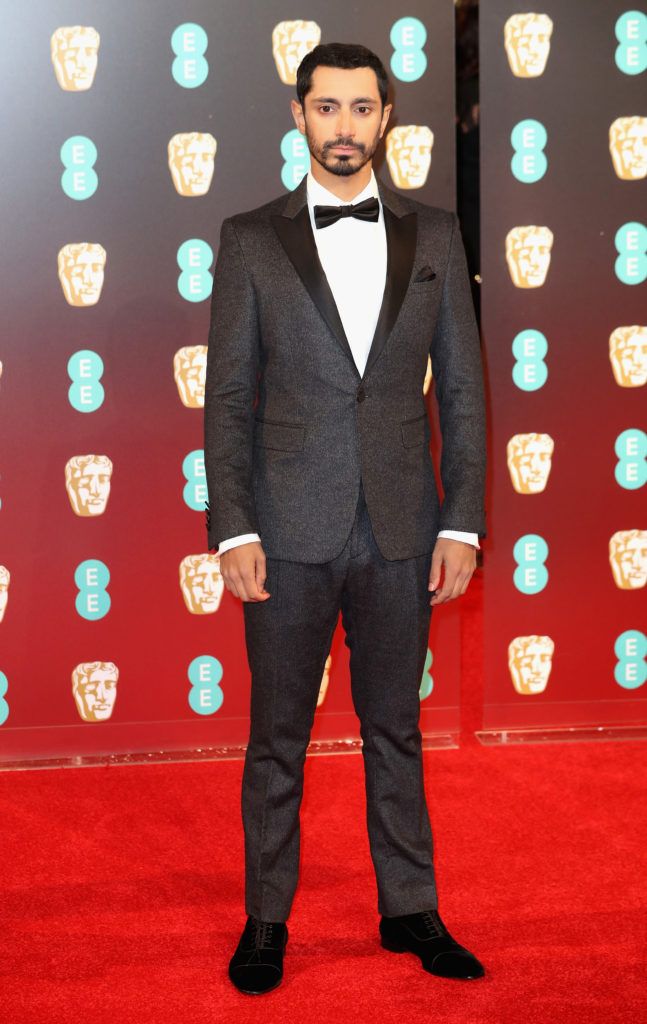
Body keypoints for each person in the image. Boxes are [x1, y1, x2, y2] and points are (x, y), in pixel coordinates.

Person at [203, 42, 487, 995]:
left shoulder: (435, 233)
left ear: (386, 115)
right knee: (277, 736)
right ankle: (266, 921)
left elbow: (463, 391)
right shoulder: (247, 238)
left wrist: (464, 521)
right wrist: (233, 530)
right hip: (284, 530)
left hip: (404, 527)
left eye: (361, 110)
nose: (344, 127)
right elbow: (228, 393)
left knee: (394, 727)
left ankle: (410, 909)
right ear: (298, 115)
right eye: (326, 109)